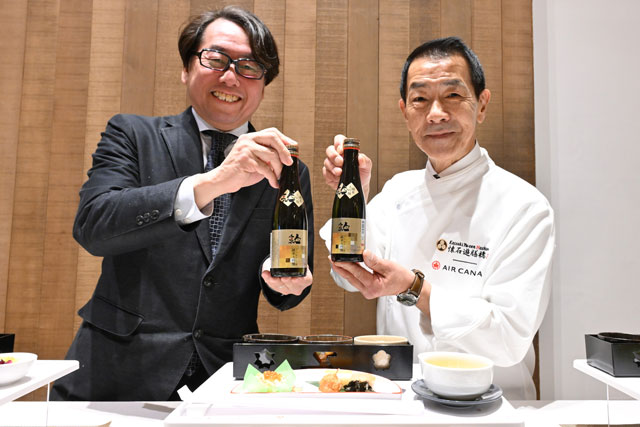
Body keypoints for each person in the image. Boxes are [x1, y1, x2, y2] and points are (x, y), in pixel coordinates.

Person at [51, 6, 313, 401]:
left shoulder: (288, 167)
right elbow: (94, 226)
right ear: (186, 68)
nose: (231, 77)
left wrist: (286, 281)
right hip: (116, 373)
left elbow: (287, 289)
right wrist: (214, 181)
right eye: (216, 59)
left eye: (249, 67)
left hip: (222, 379)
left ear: (263, 84)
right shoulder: (132, 134)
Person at [320, 36, 554, 400]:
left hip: (491, 405)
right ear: (404, 111)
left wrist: (415, 289)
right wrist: (354, 199)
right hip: (403, 400)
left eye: (453, 95)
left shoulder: (525, 206)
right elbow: (349, 277)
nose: (436, 114)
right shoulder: (398, 191)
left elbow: (509, 339)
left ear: (482, 105)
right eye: (420, 99)